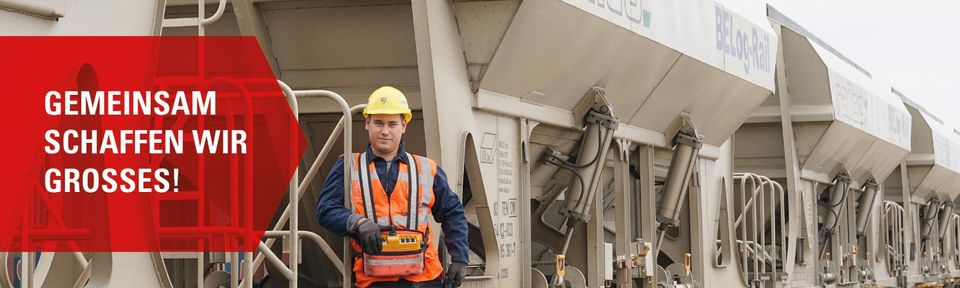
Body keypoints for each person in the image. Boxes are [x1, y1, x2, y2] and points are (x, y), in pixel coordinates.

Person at [316, 86, 468, 288]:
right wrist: (358, 223)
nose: (385, 131)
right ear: (367, 123)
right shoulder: (347, 167)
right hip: (375, 280)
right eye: (378, 123)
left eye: (392, 124)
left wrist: (459, 258)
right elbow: (326, 210)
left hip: (425, 279)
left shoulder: (427, 169)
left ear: (403, 126)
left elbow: (453, 213)